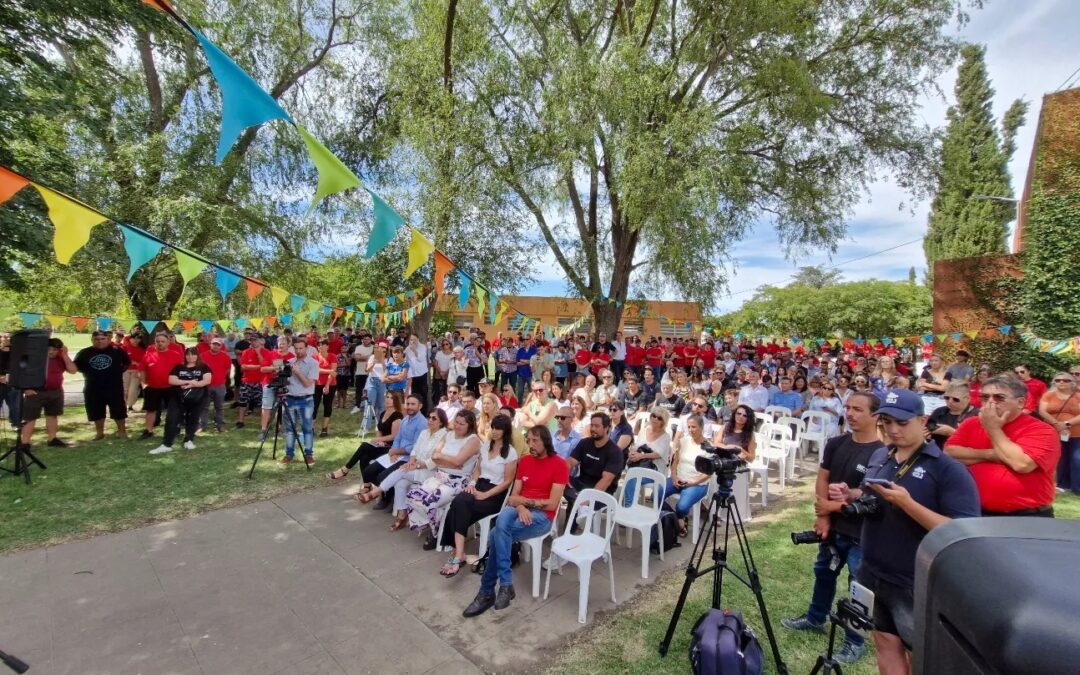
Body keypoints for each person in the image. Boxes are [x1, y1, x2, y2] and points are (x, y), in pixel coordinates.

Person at [833, 389, 979, 675]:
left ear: (923, 420)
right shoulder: (881, 455)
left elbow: (964, 533)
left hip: (915, 580)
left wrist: (907, 504)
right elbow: (870, 496)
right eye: (887, 422)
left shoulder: (948, 470)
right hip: (872, 570)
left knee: (922, 656)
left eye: (902, 423)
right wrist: (850, 494)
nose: (893, 430)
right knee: (885, 643)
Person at [782, 392, 884, 664]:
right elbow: (823, 478)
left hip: (862, 534)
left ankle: (855, 641)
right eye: (848, 407)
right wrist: (824, 514)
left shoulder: (882, 453)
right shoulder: (837, 443)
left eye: (858, 409)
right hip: (833, 528)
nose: (849, 413)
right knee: (823, 573)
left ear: (875, 415)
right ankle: (816, 617)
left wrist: (830, 508)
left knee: (858, 587)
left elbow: (870, 495)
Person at [463, 425, 569, 617]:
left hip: (542, 518)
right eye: (528, 440)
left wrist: (524, 503)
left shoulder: (560, 465)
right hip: (519, 509)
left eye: (535, 440)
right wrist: (520, 506)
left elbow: (552, 505)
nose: (530, 445)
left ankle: (486, 592)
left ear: (546, 441)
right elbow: (513, 497)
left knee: (497, 534)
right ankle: (504, 584)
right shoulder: (525, 461)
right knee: (504, 517)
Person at [944, 374, 1061, 516]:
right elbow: (950, 453)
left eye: (999, 398)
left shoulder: (1042, 430)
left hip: (1025, 516)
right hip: (975, 511)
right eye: (985, 398)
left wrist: (993, 429)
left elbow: (1021, 464)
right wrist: (991, 454)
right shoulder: (971, 423)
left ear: (1020, 402)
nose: (990, 403)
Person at [438, 414, 520, 577]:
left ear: (506, 431)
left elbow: (508, 481)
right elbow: (477, 469)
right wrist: (472, 484)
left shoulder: (510, 453)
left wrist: (486, 494)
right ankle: (459, 553)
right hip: (479, 484)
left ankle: (457, 554)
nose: (495, 432)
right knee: (460, 501)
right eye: (493, 428)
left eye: (499, 429)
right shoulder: (486, 445)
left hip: (496, 492)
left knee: (460, 506)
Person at [406, 408, 482, 548]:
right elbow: (435, 457)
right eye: (456, 422)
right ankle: (433, 523)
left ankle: (436, 535)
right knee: (412, 496)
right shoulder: (448, 435)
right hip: (439, 476)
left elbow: (458, 462)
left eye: (462, 424)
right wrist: (451, 461)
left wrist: (446, 459)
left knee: (429, 503)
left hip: (457, 481)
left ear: (470, 425)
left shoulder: (473, 440)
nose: (457, 426)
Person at [376, 408, 450, 532]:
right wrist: (411, 462)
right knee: (400, 483)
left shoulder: (445, 436)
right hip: (416, 468)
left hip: (431, 472)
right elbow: (415, 450)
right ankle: (402, 516)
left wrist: (416, 466)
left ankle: (376, 491)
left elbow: (436, 460)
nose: (430, 420)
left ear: (441, 422)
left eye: (434, 418)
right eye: (429, 417)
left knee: (401, 471)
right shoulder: (424, 433)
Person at [354, 393, 428, 505]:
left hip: (408, 458)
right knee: (368, 472)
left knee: (382, 476)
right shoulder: (405, 419)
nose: (410, 407)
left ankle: (386, 498)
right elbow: (397, 438)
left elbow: (415, 446)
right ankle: (389, 493)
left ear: (420, 406)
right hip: (396, 454)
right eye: (408, 404)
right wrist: (393, 452)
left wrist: (396, 451)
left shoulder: (422, 423)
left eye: (413, 404)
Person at [563, 412, 625, 534]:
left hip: (603, 491)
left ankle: (570, 532)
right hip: (581, 483)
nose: (593, 429)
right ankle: (581, 510)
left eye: (597, 426)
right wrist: (563, 478)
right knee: (558, 484)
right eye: (592, 425)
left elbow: (606, 480)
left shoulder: (615, 452)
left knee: (575, 500)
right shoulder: (585, 443)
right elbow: (569, 462)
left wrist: (588, 498)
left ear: (606, 428)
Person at [149, 347, 211, 454]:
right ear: (185, 356)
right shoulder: (179, 367)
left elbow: (207, 380)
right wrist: (186, 382)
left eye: (193, 354)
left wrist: (191, 383)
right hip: (178, 397)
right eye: (188, 354)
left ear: (197, 355)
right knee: (171, 418)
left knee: (193, 418)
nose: (190, 357)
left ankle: (189, 440)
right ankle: (167, 444)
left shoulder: (203, 367)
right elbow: (172, 380)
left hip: (197, 397)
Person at [19, 337, 78, 447]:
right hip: (36, 392)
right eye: (49, 349)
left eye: (55, 349)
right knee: (30, 418)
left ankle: (52, 439)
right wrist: (26, 389)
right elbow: (22, 374)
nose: (51, 352)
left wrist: (65, 355)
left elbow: (73, 370)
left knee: (53, 415)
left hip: (55, 391)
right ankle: (25, 442)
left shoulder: (61, 358)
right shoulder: (35, 358)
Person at [337, 390, 405, 482]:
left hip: (391, 448)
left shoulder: (397, 415)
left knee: (364, 446)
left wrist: (379, 439)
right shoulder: (383, 413)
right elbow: (379, 429)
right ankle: (367, 485)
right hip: (381, 445)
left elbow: (394, 436)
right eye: (387, 397)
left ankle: (345, 469)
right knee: (364, 456)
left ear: (396, 400)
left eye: (392, 398)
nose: (388, 400)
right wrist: (379, 440)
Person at [74, 330, 131, 440]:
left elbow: (126, 364)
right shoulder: (84, 353)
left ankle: (122, 432)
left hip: (114, 387)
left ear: (108, 339)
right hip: (93, 387)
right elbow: (77, 367)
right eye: (96, 339)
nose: (100, 341)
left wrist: (116, 373)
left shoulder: (117, 351)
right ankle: (99, 433)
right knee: (96, 411)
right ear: (92, 340)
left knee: (119, 410)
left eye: (103, 339)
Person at [665, 415, 713, 536]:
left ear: (701, 427)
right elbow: (675, 462)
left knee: (681, 507)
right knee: (656, 495)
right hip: (678, 478)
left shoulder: (709, 447)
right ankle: (678, 521)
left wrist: (693, 482)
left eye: (694, 427)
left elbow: (708, 473)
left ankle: (677, 517)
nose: (691, 430)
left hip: (697, 483)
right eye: (689, 427)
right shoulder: (684, 441)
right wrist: (674, 476)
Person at [275, 337, 320, 465]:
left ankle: (309, 454)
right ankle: (289, 454)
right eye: (296, 348)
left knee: (307, 428)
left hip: (306, 400)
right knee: (289, 429)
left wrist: (298, 372)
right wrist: (278, 371)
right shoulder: (289, 362)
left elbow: (307, 383)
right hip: (289, 399)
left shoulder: (313, 363)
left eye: (301, 348)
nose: (298, 351)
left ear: (306, 348)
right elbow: (282, 379)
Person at [621, 406, 673, 507]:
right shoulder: (645, 430)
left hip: (655, 469)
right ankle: (630, 506)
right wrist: (633, 453)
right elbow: (636, 446)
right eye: (653, 416)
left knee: (633, 478)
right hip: (639, 464)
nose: (655, 419)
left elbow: (658, 454)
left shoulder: (666, 437)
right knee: (629, 476)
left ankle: (629, 507)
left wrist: (641, 456)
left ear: (663, 422)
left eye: (659, 418)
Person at [1040, 372, 1080, 495]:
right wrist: (1057, 424)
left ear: (1072, 383)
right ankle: (1060, 485)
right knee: (1059, 458)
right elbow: (1042, 411)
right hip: (1053, 432)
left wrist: (1067, 424)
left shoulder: (1078, 396)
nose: (1061, 382)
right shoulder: (1048, 395)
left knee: (1076, 459)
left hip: (1076, 432)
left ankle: (1076, 487)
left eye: (1065, 380)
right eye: (1058, 380)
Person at [140, 333, 184, 441]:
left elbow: (181, 371)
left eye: (162, 341)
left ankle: (174, 429)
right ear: (155, 342)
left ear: (168, 342)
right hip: (152, 387)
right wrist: (143, 384)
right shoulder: (148, 354)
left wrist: (181, 383)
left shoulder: (176, 355)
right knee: (150, 410)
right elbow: (142, 370)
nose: (160, 343)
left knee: (173, 410)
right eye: (157, 341)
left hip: (171, 387)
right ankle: (148, 431)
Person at [927, 383, 977, 448]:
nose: (950, 401)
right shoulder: (939, 411)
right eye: (947, 398)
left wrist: (953, 433)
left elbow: (977, 442)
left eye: (955, 399)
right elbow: (929, 426)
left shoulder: (976, 415)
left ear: (967, 398)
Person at [199, 337, 232, 434]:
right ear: (210, 344)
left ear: (221, 346)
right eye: (214, 344)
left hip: (220, 385)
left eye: (218, 344)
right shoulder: (202, 356)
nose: (216, 346)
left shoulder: (225, 356)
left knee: (219, 406)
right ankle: (202, 426)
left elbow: (227, 370)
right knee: (204, 406)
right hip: (206, 385)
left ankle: (220, 425)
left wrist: (221, 378)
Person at [236, 335, 269, 429]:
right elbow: (243, 367)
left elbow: (265, 365)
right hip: (247, 380)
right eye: (252, 341)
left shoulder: (266, 352)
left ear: (260, 341)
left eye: (255, 340)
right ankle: (240, 421)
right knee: (243, 402)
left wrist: (258, 353)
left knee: (263, 403)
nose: (253, 342)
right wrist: (259, 367)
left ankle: (263, 423)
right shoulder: (246, 352)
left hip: (261, 381)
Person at [310, 339, 337, 437]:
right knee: (314, 405)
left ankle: (324, 429)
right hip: (317, 384)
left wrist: (327, 385)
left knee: (328, 405)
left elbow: (334, 372)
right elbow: (315, 369)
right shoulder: (314, 356)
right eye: (318, 345)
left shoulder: (332, 356)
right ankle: (311, 428)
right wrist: (329, 371)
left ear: (327, 346)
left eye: (322, 345)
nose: (320, 347)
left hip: (330, 384)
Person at [120, 332, 146, 412]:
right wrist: (130, 362)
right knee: (125, 389)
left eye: (138, 338)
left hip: (137, 371)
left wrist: (138, 365)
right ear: (130, 339)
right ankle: (123, 406)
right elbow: (121, 359)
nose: (136, 340)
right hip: (126, 371)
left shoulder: (142, 349)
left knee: (133, 389)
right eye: (134, 338)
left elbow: (145, 361)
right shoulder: (124, 347)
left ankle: (130, 405)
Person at [350, 333, 374, 413]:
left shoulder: (374, 348)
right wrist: (369, 357)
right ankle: (357, 405)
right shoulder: (358, 347)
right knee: (358, 390)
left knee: (369, 390)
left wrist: (362, 357)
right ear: (362, 340)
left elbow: (374, 359)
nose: (366, 340)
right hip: (359, 372)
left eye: (367, 339)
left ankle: (368, 406)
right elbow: (356, 358)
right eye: (364, 339)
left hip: (370, 372)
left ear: (371, 340)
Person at [405, 333, 429, 410]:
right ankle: (415, 411)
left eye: (414, 339)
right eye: (411, 340)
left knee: (423, 394)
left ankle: (424, 412)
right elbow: (405, 360)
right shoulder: (408, 349)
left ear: (418, 339)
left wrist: (414, 350)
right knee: (414, 394)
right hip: (413, 375)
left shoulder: (422, 347)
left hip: (422, 374)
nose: (413, 341)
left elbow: (420, 359)